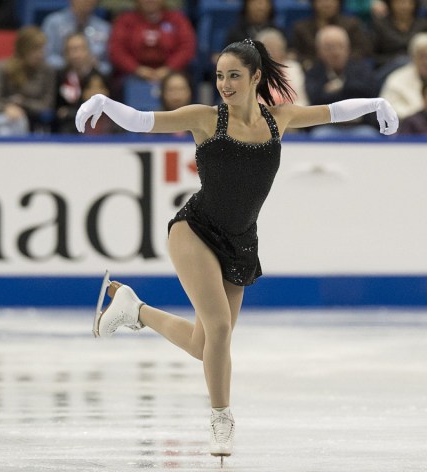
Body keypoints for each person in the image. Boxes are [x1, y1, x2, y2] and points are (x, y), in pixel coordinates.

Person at [75, 38, 398, 463]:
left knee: (203, 344)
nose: (225, 84)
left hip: (242, 242)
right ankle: (221, 418)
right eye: (220, 76)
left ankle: (134, 310)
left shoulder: (280, 118)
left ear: (256, 77)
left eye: (234, 76)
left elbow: (333, 112)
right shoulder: (206, 119)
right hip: (194, 229)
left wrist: (376, 103)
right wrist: (104, 101)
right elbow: (141, 120)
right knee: (221, 330)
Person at [0, 26, 55, 136]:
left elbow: (47, 105)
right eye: (35, 49)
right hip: (0, 116)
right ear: (23, 49)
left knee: (14, 125)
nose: (40, 54)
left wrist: (22, 104)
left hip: (31, 121)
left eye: (42, 49)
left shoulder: (47, 71)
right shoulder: (2, 68)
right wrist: (7, 107)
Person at [305, 25, 379, 137]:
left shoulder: (361, 69)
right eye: (329, 48)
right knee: (319, 135)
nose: (336, 53)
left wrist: (340, 88)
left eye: (340, 47)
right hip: (326, 126)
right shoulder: (314, 73)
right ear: (319, 51)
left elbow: (370, 93)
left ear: (348, 48)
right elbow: (315, 98)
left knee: (370, 135)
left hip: (360, 125)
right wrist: (351, 93)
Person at [108, 0, 196, 84]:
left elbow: (187, 48)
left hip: (171, 73)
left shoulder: (178, 19)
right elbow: (116, 50)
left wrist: (169, 68)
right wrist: (137, 69)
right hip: (132, 74)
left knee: (179, 83)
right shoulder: (125, 20)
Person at [55, 32, 112, 133]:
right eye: (72, 50)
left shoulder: (100, 77)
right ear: (65, 54)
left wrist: (70, 112)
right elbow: (57, 109)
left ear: (88, 51)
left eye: (80, 49)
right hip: (67, 130)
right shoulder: (60, 76)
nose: (76, 55)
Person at [291, 0, 371, 70]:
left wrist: (339, 60)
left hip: (348, 72)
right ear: (314, 2)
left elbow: (362, 50)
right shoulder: (301, 28)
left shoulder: (352, 25)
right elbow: (296, 54)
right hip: (311, 72)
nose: (327, 3)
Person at [42, 0, 112, 76]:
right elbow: (46, 57)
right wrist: (70, 64)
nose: (87, 2)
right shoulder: (53, 23)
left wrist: (96, 66)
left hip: (93, 78)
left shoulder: (105, 28)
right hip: (59, 76)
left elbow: (108, 66)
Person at [370, 0, 427, 84]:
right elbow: (373, 55)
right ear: (391, 3)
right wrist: (395, 60)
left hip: (418, 67)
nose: (404, 6)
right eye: (400, 2)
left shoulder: (423, 25)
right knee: (401, 61)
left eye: (409, 2)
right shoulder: (380, 24)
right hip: (387, 67)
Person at [380, 32, 427, 121]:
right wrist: (418, 115)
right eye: (422, 56)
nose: (426, 61)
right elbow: (387, 109)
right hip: (406, 129)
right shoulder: (396, 79)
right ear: (413, 57)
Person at [255, 28, 309, 106]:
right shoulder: (254, 72)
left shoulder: (293, 67)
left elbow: (302, 97)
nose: (273, 52)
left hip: (294, 112)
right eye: (269, 49)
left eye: (276, 48)